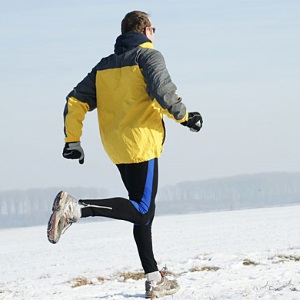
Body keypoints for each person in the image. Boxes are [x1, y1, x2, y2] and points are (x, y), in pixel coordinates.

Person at [47, 10, 202, 298]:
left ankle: (154, 278)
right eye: (154, 29)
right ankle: (78, 208)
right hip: (141, 142)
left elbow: (75, 100)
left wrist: (73, 139)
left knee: (142, 212)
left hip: (115, 145)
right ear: (145, 31)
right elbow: (163, 92)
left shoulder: (104, 65)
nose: (155, 34)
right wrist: (186, 117)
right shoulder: (148, 56)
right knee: (142, 209)